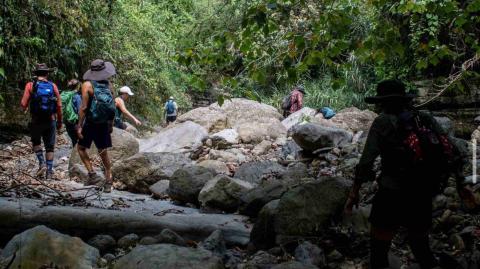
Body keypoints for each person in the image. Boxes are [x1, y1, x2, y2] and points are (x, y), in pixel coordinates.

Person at [344, 79, 475, 269]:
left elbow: (366, 162)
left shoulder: (382, 122)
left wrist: (354, 192)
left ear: (382, 102)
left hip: (391, 193)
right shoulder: (424, 118)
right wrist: (461, 185)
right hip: (422, 192)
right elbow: (451, 151)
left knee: (379, 252)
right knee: (420, 246)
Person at [76, 59, 117, 192]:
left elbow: (83, 107)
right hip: (104, 124)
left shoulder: (87, 85)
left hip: (91, 123)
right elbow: (112, 107)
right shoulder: (109, 85)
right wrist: (110, 124)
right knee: (103, 152)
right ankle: (109, 180)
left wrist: (79, 126)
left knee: (81, 148)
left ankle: (92, 174)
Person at [20, 63, 62, 180]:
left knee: (36, 143)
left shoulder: (30, 85)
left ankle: (41, 163)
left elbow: (23, 103)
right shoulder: (52, 86)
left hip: (36, 120)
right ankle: (49, 172)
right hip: (50, 120)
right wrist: (59, 122)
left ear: (36, 73)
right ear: (47, 73)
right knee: (50, 147)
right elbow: (59, 106)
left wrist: (26, 108)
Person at [61, 79, 82, 147]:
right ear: (77, 86)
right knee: (79, 143)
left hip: (67, 121)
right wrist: (80, 125)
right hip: (75, 122)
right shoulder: (76, 96)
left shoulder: (64, 94)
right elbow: (80, 111)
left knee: (74, 140)